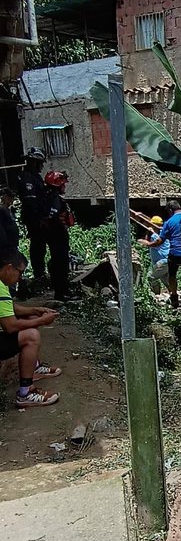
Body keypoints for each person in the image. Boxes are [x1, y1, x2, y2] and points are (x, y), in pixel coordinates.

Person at [0, 249, 61, 407]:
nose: (20, 278)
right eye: (19, 273)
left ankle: (34, 366)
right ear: (8, 268)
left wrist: (36, 311)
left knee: (32, 319)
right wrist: (42, 321)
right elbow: (10, 326)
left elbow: (11, 308)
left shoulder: (2, 283)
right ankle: (25, 393)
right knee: (31, 335)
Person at [145, 199, 181, 313]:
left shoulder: (169, 222)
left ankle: (174, 299)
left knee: (172, 276)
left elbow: (160, 240)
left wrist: (149, 244)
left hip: (175, 254)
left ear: (170, 210)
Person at [16, 147, 49, 285]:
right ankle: (38, 273)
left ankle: (40, 271)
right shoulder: (27, 178)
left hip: (38, 216)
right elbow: (31, 202)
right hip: (33, 218)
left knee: (40, 246)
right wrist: (39, 219)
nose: (42, 166)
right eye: (40, 163)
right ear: (34, 163)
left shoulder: (35, 177)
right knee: (37, 245)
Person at [43, 170, 75, 302]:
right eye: (63, 184)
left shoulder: (48, 197)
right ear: (57, 185)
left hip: (54, 235)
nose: (64, 187)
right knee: (60, 265)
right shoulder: (55, 199)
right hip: (58, 236)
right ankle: (62, 293)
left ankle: (62, 291)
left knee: (59, 264)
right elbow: (53, 216)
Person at [138, 215, 171, 291]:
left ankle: (155, 295)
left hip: (161, 262)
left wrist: (148, 232)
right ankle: (173, 298)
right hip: (168, 261)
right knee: (167, 282)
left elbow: (148, 243)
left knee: (150, 278)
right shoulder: (163, 233)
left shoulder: (154, 236)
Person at [0, 188, 19, 256]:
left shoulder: (9, 210)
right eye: (10, 197)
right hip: (7, 246)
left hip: (13, 243)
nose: (12, 199)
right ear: (5, 197)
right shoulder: (1, 210)